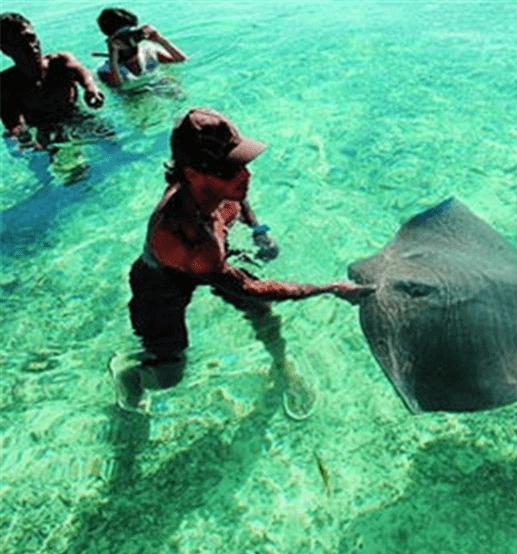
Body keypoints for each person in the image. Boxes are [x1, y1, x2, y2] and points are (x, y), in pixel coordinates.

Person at [110, 108, 370, 416]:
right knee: (169, 372)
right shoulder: (187, 236)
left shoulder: (215, 184)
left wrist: (258, 230)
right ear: (193, 174)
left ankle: (282, 368)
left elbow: (237, 196)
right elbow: (252, 288)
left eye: (242, 163)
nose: (246, 175)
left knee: (263, 316)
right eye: (231, 169)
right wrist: (330, 288)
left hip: (212, 255)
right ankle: (131, 374)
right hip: (163, 284)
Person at [1, 12, 105, 150]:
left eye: (31, 38)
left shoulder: (59, 61)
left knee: (113, 143)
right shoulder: (6, 83)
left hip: (76, 116)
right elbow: (12, 121)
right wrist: (20, 134)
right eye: (20, 42)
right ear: (5, 50)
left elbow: (83, 73)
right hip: (44, 130)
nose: (31, 45)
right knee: (68, 166)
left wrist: (91, 89)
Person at [96, 7, 187, 88]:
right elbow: (119, 85)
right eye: (123, 37)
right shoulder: (105, 70)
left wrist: (160, 40)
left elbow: (181, 60)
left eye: (131, 34)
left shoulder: (149, 52)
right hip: (133, 98)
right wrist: (113, 58)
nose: (128, 40)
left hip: (156, 87)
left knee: (172, 85)